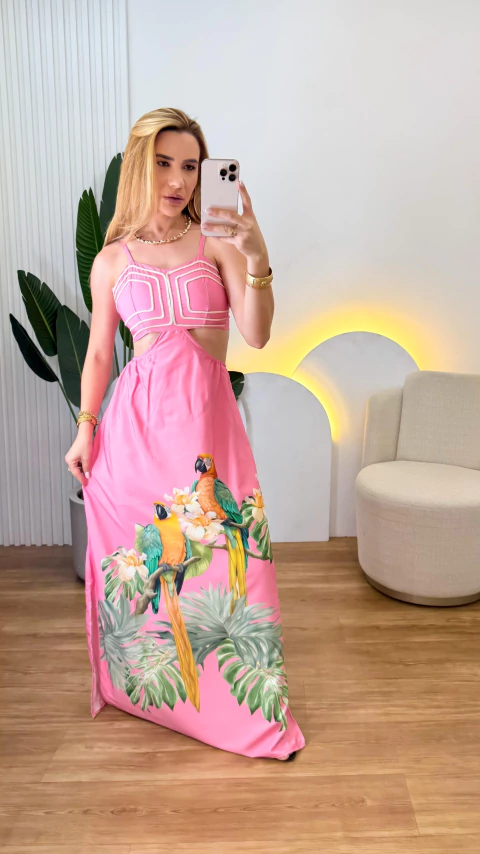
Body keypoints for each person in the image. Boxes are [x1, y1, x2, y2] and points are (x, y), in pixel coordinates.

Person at [65, 107, 305, 761]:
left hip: (207, 433)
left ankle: (242, 712)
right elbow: (98, 355)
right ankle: (149, 691)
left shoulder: (217, 243)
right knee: (154, 571)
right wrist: (86, 429)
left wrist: (257, 256)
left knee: (232, 569)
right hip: (136, 436)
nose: (178, 179)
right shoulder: (111, 261)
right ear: (140, 168)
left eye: (191, 166)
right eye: (164, 163)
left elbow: (256, 334)